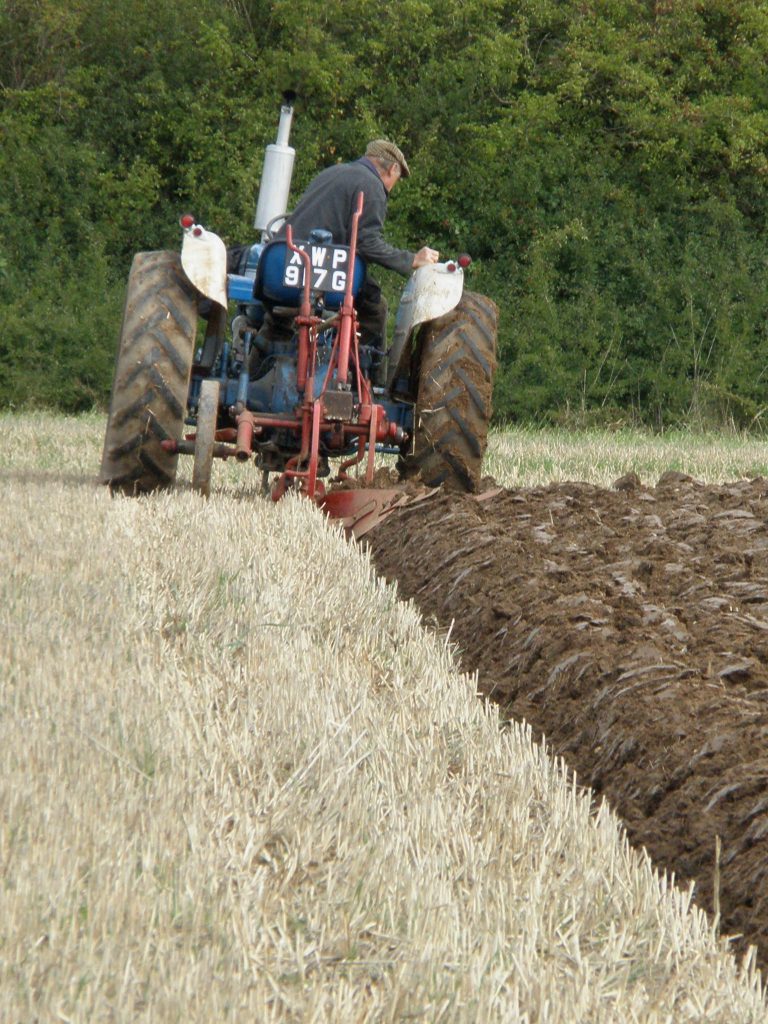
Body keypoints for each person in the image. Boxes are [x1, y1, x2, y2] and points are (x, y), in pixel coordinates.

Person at [279, 139, 439, 383]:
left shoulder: (331, 172)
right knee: (376, 308)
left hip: (284, 266)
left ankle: (264, 351)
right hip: (327, 272)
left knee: (274, 315)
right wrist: (411, 260)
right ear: (393, 169)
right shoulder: (372, 185)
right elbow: (367, 242)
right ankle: (365, 380)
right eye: (397, 179)